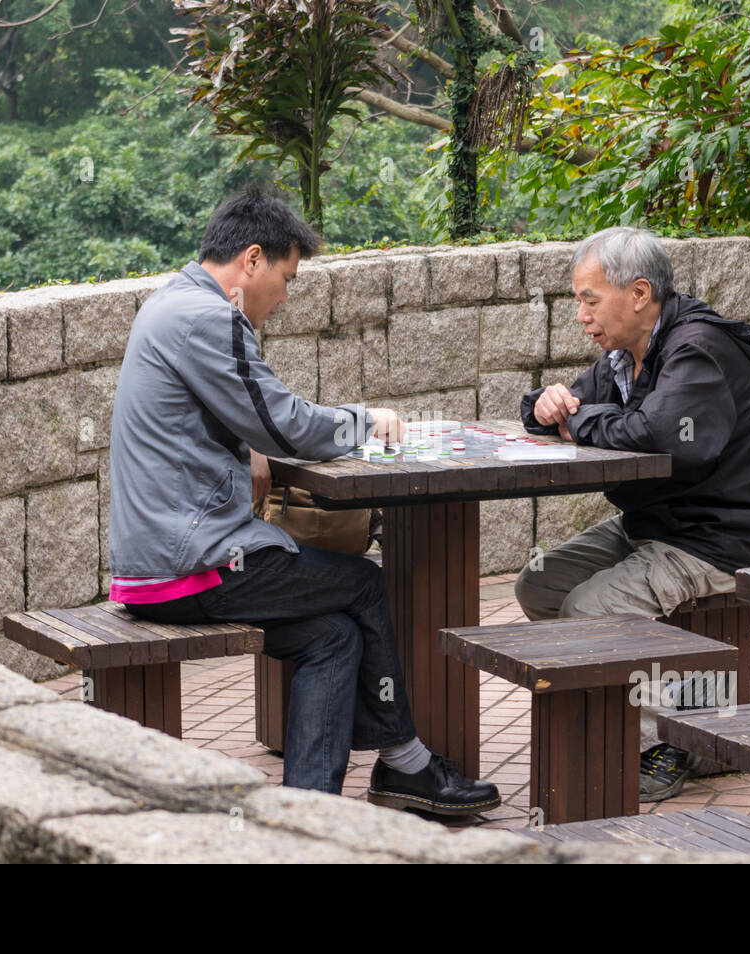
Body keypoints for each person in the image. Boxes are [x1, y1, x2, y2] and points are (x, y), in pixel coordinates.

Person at [106, 186, 499, 815]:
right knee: (365, 584)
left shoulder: (170, 303)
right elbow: (284, 423)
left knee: (333, 636)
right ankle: (408, 765)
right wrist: (367, 421)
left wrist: (250, 446)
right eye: (287, 278)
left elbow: (243, 419)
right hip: (191, 563)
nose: (286, 297)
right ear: (253, 260)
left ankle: (308, 818)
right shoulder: (210, 317)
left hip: (155, 560)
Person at [515, 226, 750, 802]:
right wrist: (546, 405)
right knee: (540, 585)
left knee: (590, 609)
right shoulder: (625, 355)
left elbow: (666, 436)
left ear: (638, 294)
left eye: (589, 299)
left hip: (717, 536)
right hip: (656, 525)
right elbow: (572, 405)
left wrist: (580, 420)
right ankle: (668, 700)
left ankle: (660, 742)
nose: (580, 314)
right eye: (578, 300)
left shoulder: (696, 350)